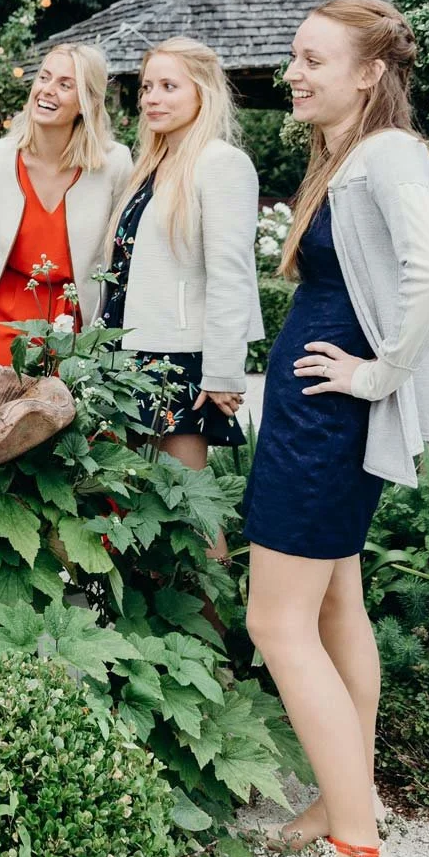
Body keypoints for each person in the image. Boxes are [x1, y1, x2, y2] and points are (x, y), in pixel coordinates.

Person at [241, 0, 429, 857]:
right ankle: (346, 802)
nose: (293, 72)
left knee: (275, 623)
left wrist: (379, 375)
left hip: (327, 425)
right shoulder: (353, 156)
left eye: (312, 59)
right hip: (324, 418)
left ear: (370, 73)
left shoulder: (387, 154)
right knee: (336, 607)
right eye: (294, 57)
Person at [97, 38, 262, 558]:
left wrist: (223, 374)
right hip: (126, 354)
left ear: (203, 93)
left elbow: (231, 275)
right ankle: (153, 628)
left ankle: (218, 630)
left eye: (169, 86)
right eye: (147, 87)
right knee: (135, 504)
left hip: (178, 360)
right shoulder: (151, 164)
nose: (152, 98)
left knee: (189, 507)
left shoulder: (221, 164)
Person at [0, 42, 131, 365]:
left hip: (76, 326)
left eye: (65, 85)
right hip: (2, 321)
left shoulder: (115, 164)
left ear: (87, 102)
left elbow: (119, 246)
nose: (47, 90)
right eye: (44, 77)